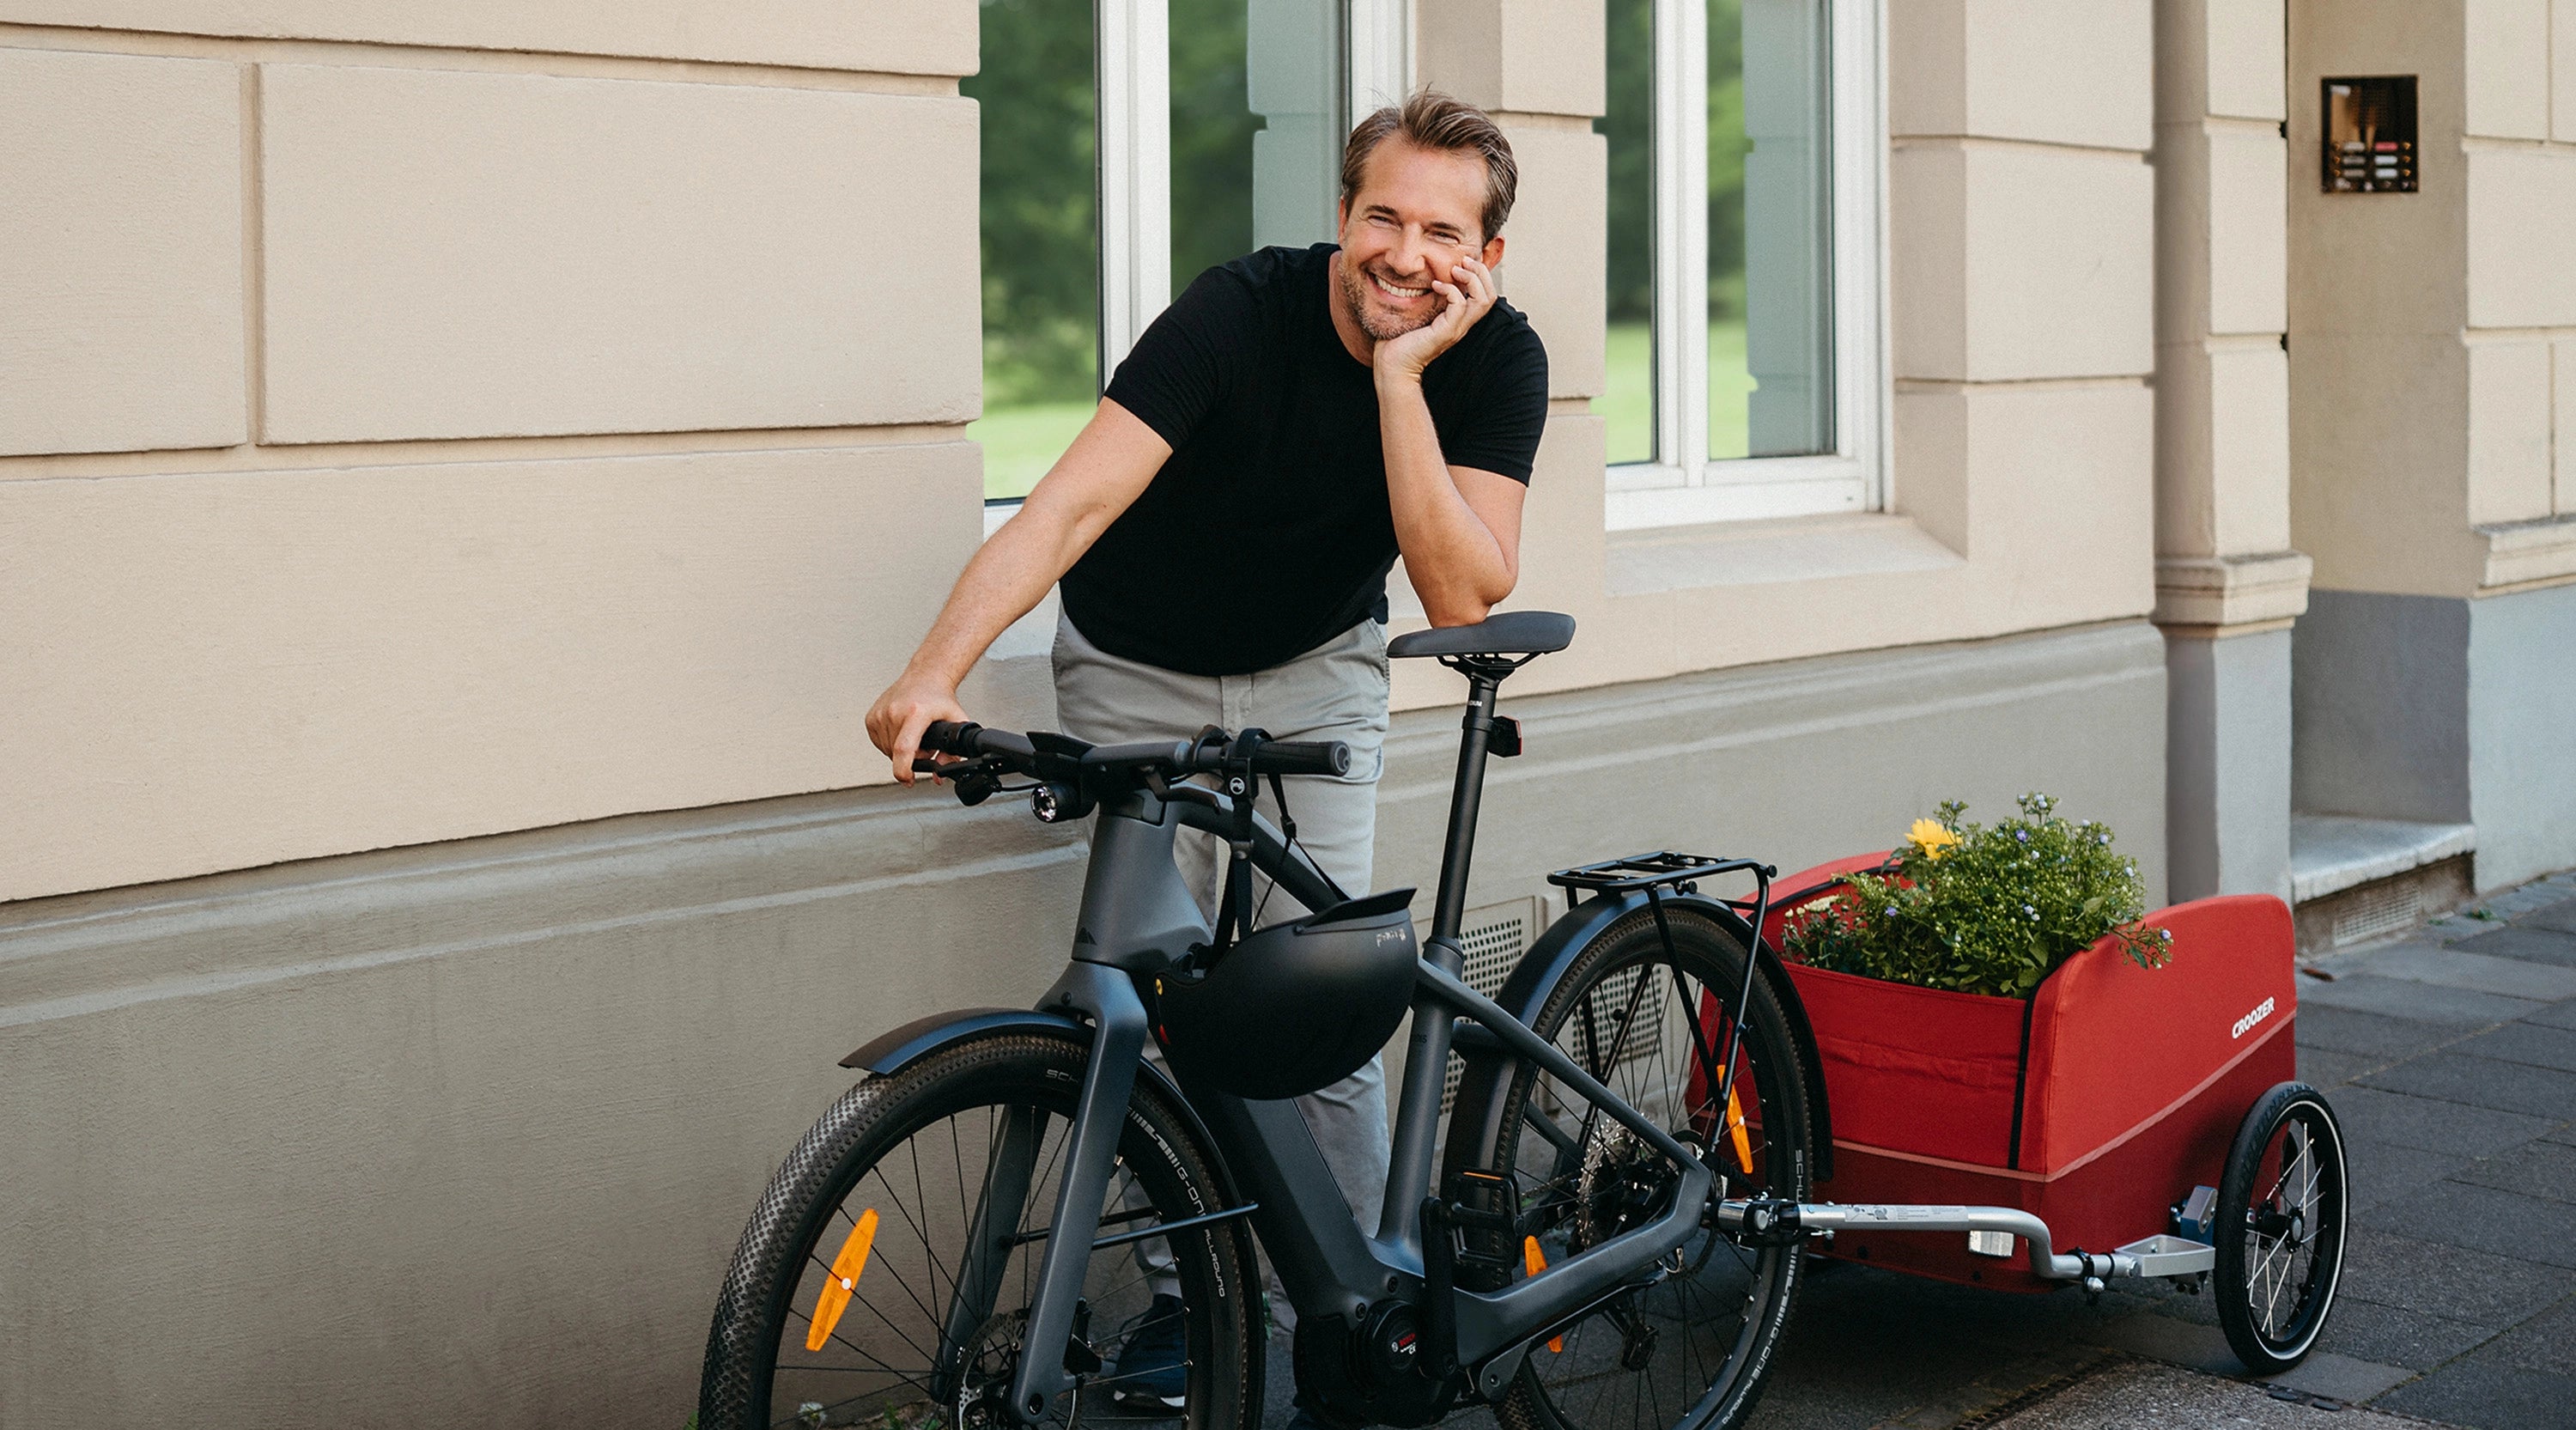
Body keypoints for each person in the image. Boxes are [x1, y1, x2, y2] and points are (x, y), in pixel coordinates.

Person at [866, 89, 1549, 1415]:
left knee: (1321, 999)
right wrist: (933, 669)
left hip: (1315, 673)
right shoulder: (1237, 313)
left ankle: (1343, 1313)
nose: (1408, 254)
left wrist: (1403, 380)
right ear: (1341, 217)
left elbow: (1466, 594)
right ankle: (1198, 1305)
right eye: (1385, 217)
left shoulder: (1496, 359)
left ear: (1487, 255)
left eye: (1443, 231)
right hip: (1138, 669)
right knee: (1160, 1001)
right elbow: (1071, 502)